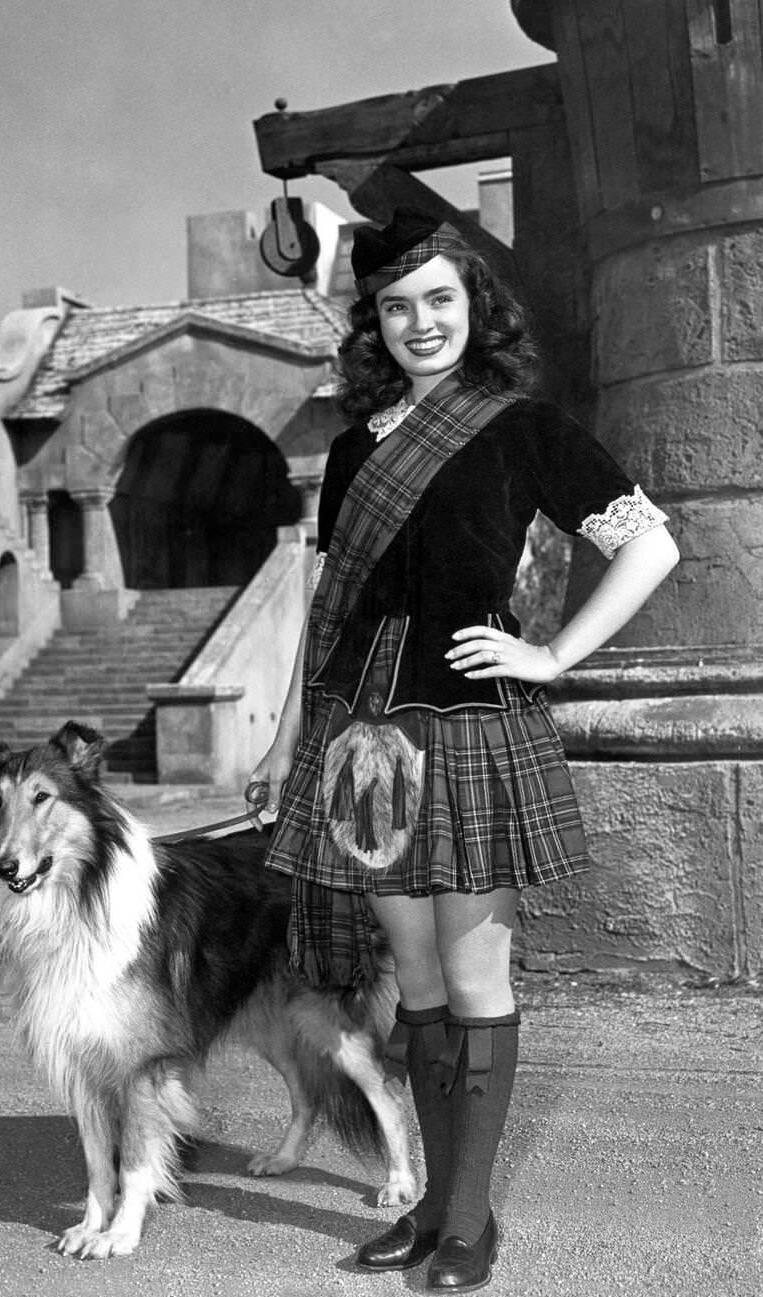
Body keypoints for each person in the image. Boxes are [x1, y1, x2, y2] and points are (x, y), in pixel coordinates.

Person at [249, 207, 679, 1292]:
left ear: (472, 305)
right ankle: (433, 1207)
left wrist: (552, 654)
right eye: (396, 306)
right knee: (419, 984)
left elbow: (647, 541)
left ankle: (470, 1225)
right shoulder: (352, 449)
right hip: (363, 744)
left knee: (476, 978)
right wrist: (293, 731)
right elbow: (325, 597)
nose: (419, 321)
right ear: (374, 325)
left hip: (470, 727)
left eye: (439, 299)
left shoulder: (520, 428)